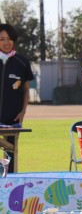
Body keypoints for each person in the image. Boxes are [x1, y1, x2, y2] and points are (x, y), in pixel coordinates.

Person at [0, 23, 34, 173]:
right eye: (1, 39)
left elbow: (26, 91)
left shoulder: (22, 62)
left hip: (12, 120)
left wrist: (23, 112)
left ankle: (9, 188)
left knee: (10, 159)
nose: (6, 42)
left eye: (9, 38)